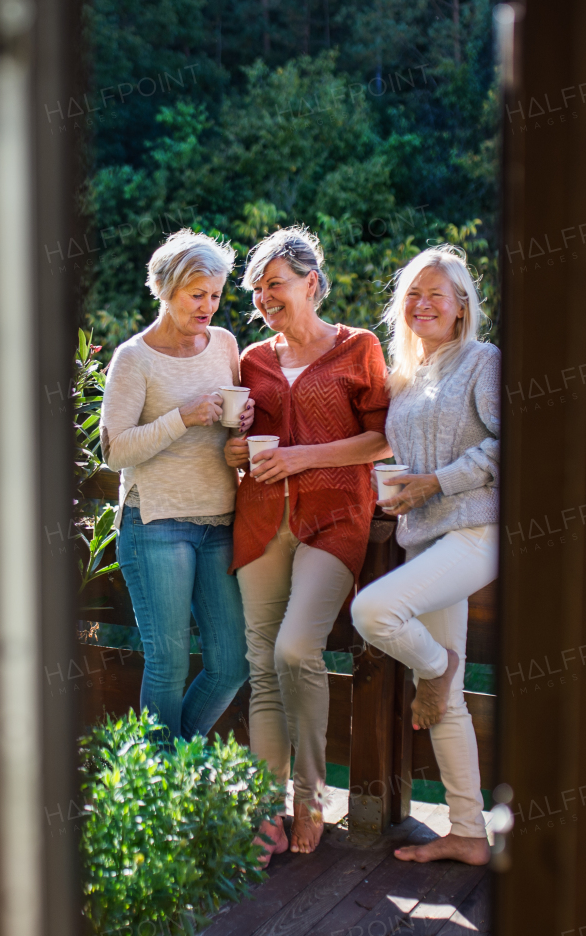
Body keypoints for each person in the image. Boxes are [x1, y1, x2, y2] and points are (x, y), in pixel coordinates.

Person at [224, 226, 391, 862]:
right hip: (261, 521)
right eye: (258, 288)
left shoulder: (359, 349)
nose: (265, 297)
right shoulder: (251, 361)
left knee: (298, 649)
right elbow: (243, 448)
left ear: (311, 284)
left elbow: (381, 442)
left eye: (276, 284)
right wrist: (239, 447)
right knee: (263, 665)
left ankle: (312, 795)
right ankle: (267, 814)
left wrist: (300, 459)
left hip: (335, 519)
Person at [349, 244, 498, 866]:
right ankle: (468, 831)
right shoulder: (406, 379)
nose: (423, 304)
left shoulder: (483, 362)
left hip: (476, 533)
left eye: (437, 293)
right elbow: (403, 460)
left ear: (462, 307)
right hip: (425, 535)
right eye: (412, 294)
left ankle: (435, 666)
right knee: (451, 701)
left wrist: (437, 483)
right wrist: (401, 493)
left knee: (372, 613)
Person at [100, 229, 254, 742]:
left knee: (232, 664)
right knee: (167, 664)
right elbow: (114, 450)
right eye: (197, 294)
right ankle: (165, 797)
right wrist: (181, 418)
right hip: (156, 523)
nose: (208, 306)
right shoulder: (133, 358)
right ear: (165, 288)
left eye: (215, 295)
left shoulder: (226, 344)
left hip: (219, 522)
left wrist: (244, 424)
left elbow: (232, 434)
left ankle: (166, 776)